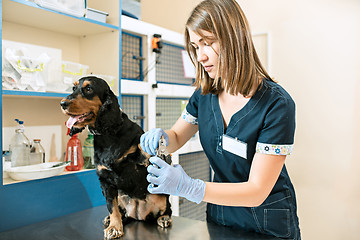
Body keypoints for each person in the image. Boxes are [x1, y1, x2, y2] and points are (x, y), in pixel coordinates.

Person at [140, 0, 301, 239]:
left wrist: (189, 187)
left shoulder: (276, 104)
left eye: (208, 43)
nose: (201, 56)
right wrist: (162, 137)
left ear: (234, 38)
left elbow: (257, 190)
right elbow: (175, 137)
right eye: (195, 46)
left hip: (267, 223)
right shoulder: (204, 95)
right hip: (221, 217)